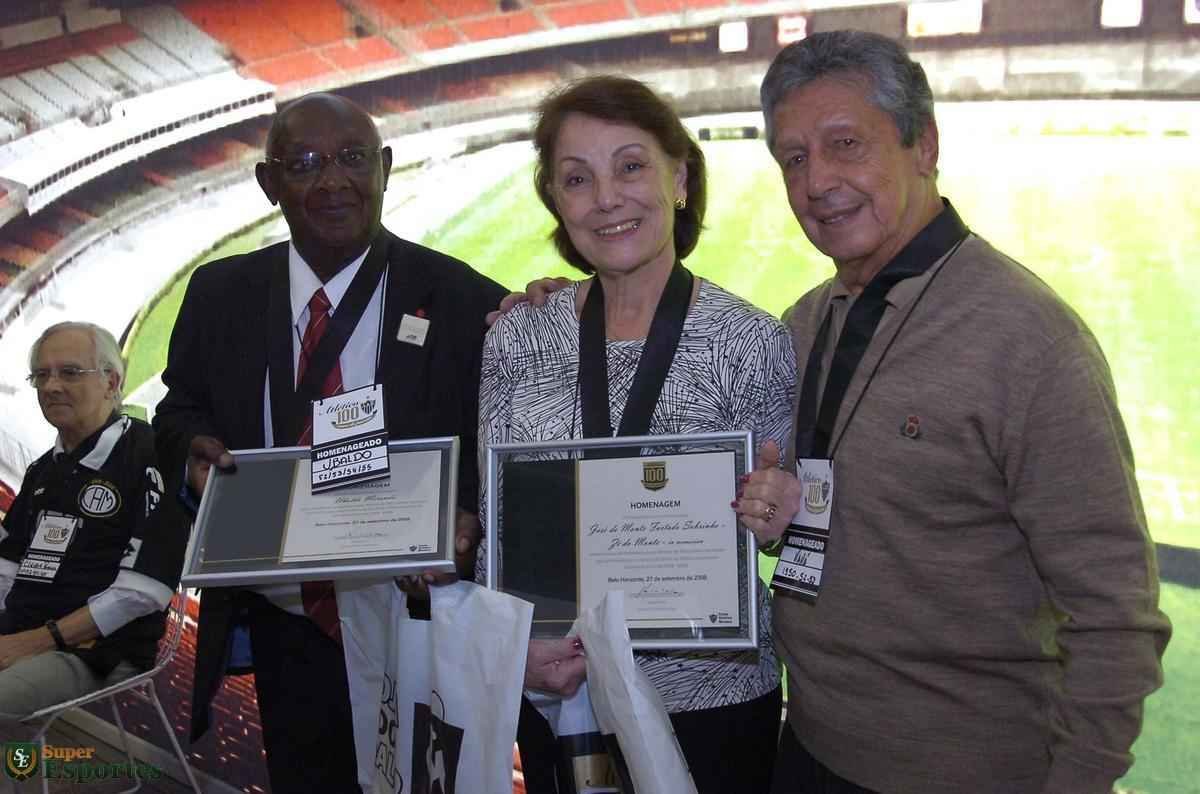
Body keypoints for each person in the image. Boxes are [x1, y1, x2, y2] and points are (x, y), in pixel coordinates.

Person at [729, 30, 1171, 794]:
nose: (817, 181)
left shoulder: (1031, 342)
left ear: (924, 146)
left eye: (845, 144)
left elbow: (1115, 613)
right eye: (793, 159)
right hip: (807, 751)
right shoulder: (805, 323)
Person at [153, 92, 507, 793]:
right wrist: (191, 449)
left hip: (417, 618)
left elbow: (504, 437)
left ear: (385, 168)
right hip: (288, 626)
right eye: (305, 163)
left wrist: (467, 515)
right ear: (269, 182)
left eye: (352, 158)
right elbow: (177, 409)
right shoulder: (220, 294)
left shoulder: (464, 298)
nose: (333, 181)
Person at [478, 75, 794, 794]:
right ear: (556, 201)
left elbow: (787, 533)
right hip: (560, 690)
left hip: (712, 699)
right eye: (577, 178)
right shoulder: (517, 339)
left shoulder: (752, 341)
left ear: (678, 179)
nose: (606, 198)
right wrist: (518, 645)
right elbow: (499, 529)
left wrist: (780, 515)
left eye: (630, 166)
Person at [0, 322, 186, 717]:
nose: (51, 386)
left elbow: (143, 592)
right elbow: (6, 567)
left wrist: (36, 640)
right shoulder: (43, 469)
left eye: (69, 372)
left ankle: (18, 759)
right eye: (42, 375)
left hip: (93, 649)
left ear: (111, 381)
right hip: (20, 631)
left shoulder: (151, 455)